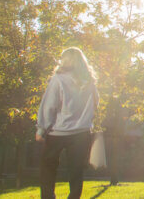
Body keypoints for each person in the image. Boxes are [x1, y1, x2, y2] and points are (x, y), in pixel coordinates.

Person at [36, 47, 100, 199]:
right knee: (76, 171)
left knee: (48, 167)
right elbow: (95, 104)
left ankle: (48, 196)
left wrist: (41, 129)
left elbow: (49, 105)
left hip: (57, 132)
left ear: (66, 60)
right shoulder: (90, 82)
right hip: (81, 133)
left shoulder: (59, 79)